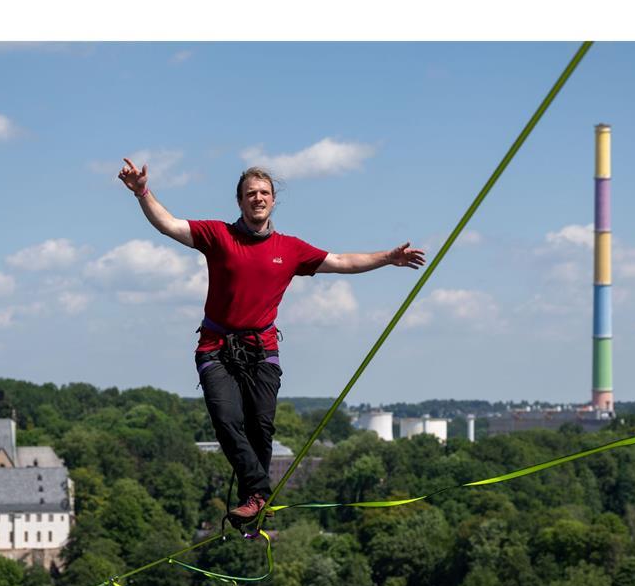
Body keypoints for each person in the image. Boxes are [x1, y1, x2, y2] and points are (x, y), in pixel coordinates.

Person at [118, 158, 426, 526]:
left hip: (261, 349)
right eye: (251, 194)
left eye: (264, 193)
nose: (258, 198)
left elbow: (342, 261)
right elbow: (169, 225)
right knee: (226, 420)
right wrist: (142, 193)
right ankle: (259, 492)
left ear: (274, 200)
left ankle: (254, 500)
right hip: (216, 347)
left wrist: (386, 259)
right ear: (240, 202)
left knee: (261, 427)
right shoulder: (219, 236)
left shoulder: (290, 248)